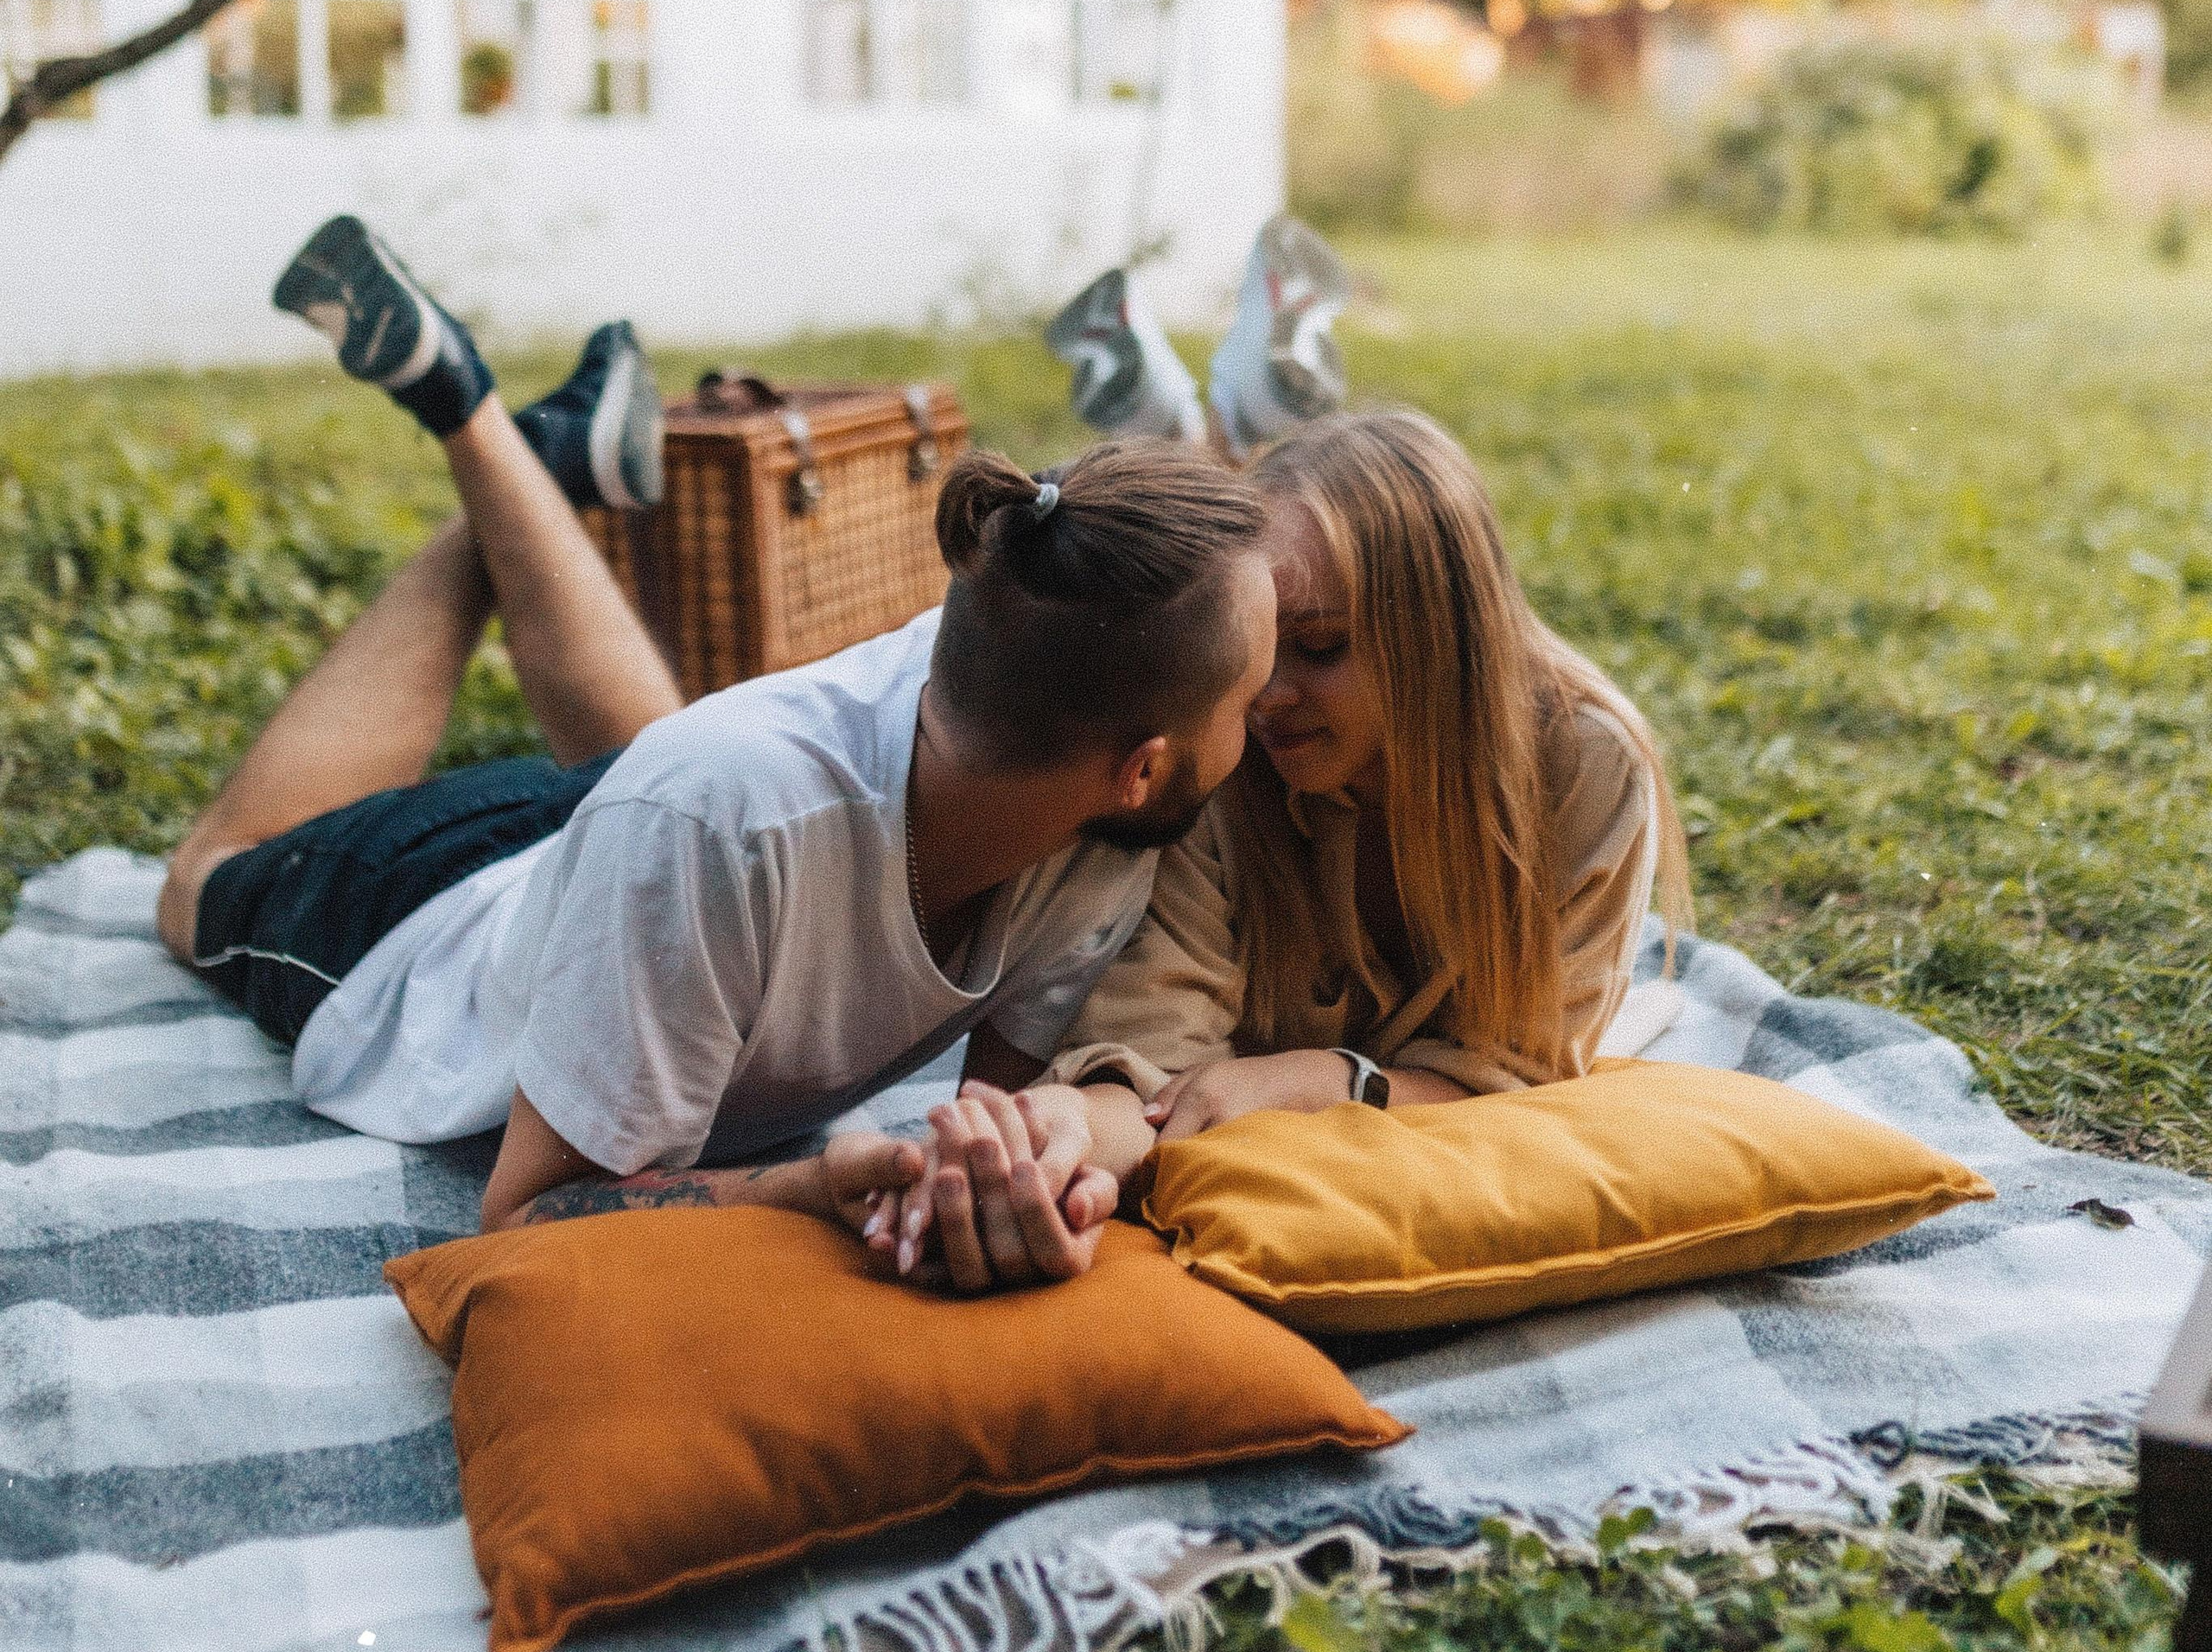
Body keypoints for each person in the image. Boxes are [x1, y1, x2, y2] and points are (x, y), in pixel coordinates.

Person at [157, 216, 1276, 1253]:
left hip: (657, 842)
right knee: (207, 878)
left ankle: (539, 467)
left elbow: (988, 1125)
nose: (1262, 721)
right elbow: (532, 1212)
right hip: (425, 922)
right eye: (1247, 700)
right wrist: (805, 1191)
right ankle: (482, 432)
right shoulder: (724, 818)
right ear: (1143, 769)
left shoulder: (1064, 753)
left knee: (696, 799)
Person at [891, 403, 1688, 1284]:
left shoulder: (1585, 767)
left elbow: (1523, 1073)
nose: (1267, 696)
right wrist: (1062, 1140)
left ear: (1440, 641)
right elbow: (1150, 1059)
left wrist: (1325, 1080)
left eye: (1319, 647)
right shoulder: (1219, 756)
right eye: (1263, 646)